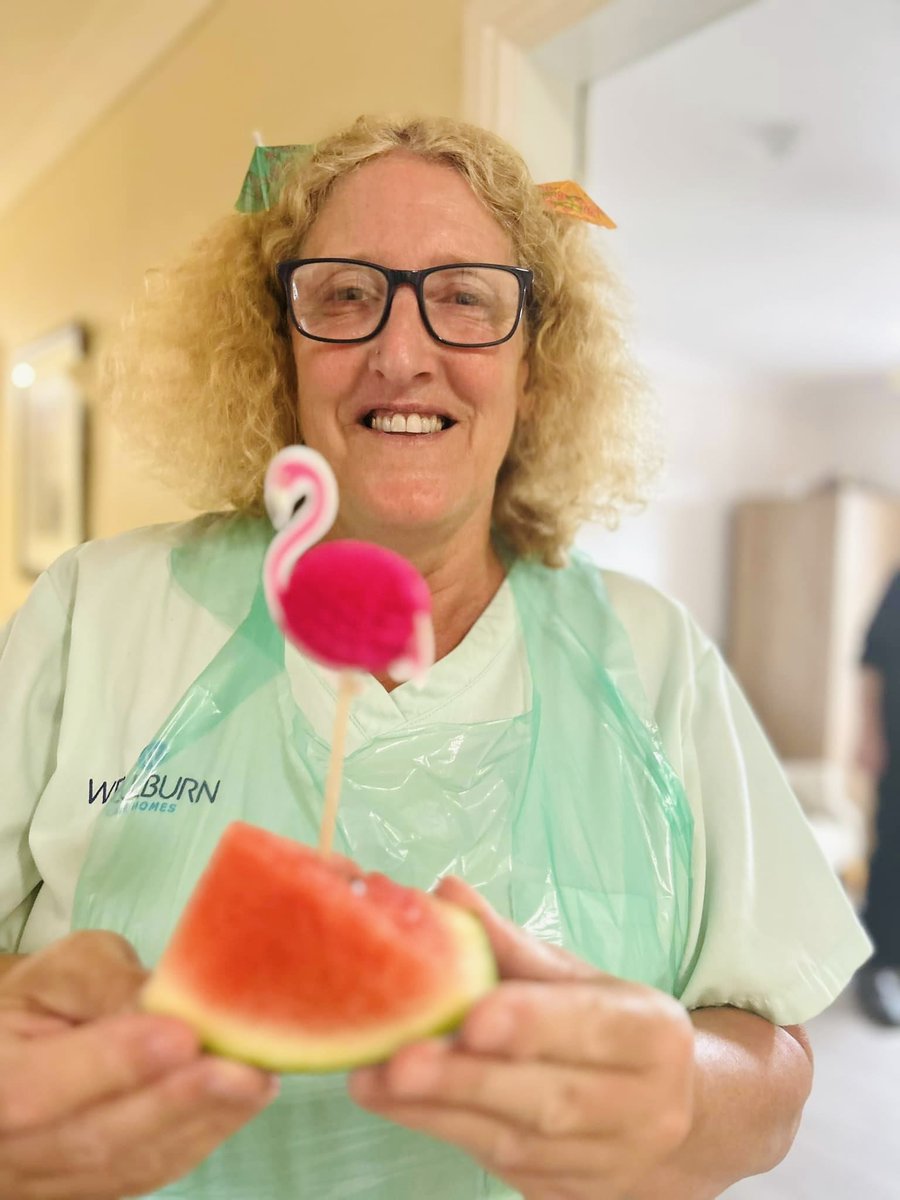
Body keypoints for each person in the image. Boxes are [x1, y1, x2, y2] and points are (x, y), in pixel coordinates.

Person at [0, 114, 871, 1200]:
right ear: (278, 350)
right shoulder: (95, 611)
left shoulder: (653, 658)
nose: (402, 354)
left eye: (465, 297)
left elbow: (776, 1068)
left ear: (534, 364)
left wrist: (687, 1099)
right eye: (343, 295)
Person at [855, 570, 900, 1026]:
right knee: (892, 850)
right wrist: (869, 734)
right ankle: (878, 965)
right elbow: (870, 659)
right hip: (896, 743)